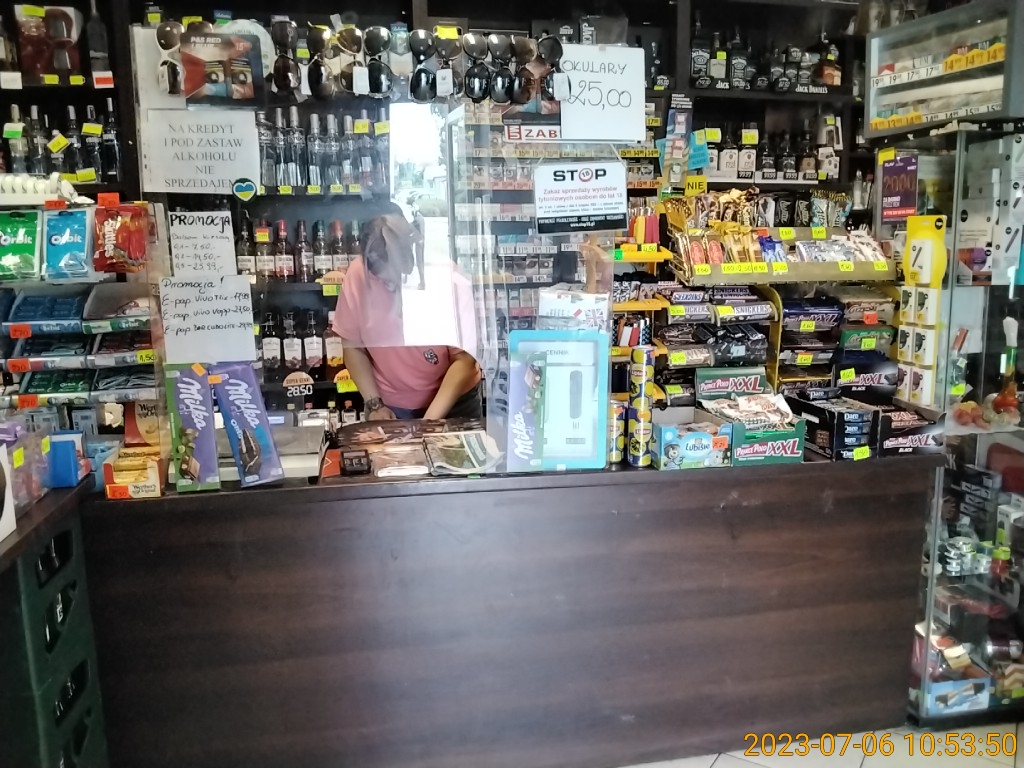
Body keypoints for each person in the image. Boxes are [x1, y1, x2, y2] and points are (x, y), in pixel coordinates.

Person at [332, 213, 481, 421]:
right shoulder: (359, 274)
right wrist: (375, 405)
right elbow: (353, 346)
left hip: (453, 401)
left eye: (399, 280)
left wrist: (426, 425)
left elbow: (464, 360)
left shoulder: (445, 276)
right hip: (390, 405)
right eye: (384, 281)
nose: (391, 289)